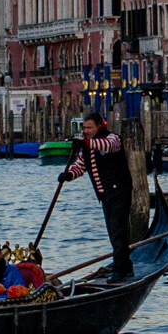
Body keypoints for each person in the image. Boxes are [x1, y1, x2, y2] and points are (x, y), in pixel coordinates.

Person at [61, 112, 134, 280]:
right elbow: (80, 165)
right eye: (84, 128)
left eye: (89, 127)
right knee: (113, 232)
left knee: (118, 231)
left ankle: (120, 269)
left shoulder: (112, 138)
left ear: (99, 126)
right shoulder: (87, 147)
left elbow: (108, 146)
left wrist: (85, 142)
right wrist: (68, 175)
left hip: (120, 192)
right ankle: (125, 264)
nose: (85, 131)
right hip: (105, 196)